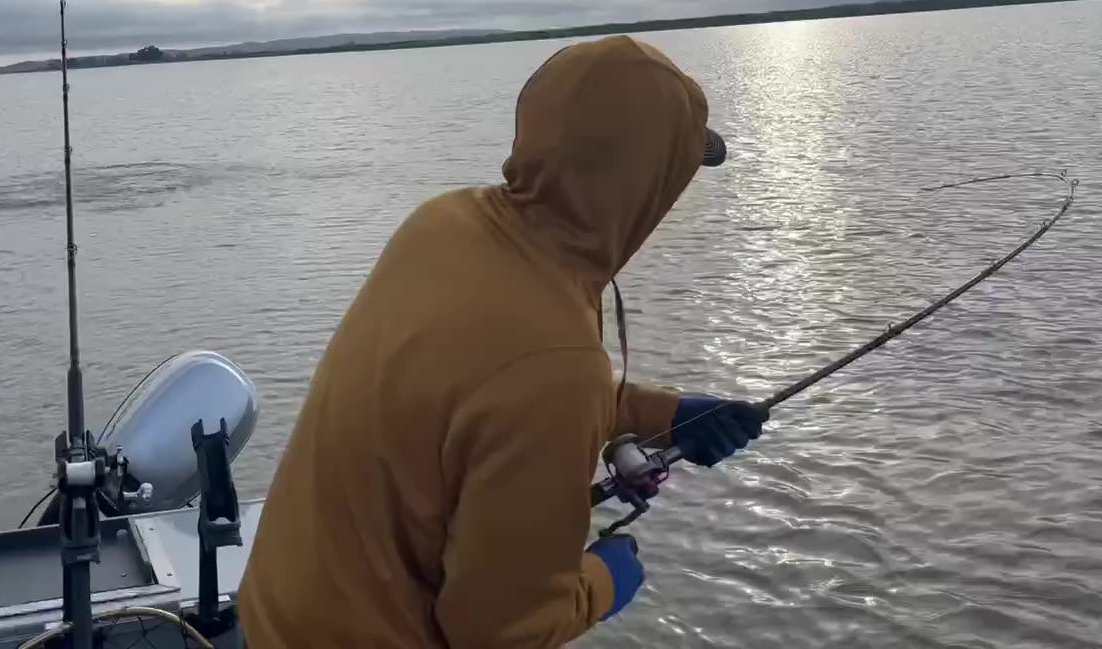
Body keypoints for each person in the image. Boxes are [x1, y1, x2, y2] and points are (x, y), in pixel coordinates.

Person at [237, 34, 768, 648]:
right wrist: (606, 578)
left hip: (277, 617)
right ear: (644, 184)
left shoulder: (443, 224)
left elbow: (479, 397)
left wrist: (662, 417)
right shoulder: (556, 364)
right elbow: (500, 631)